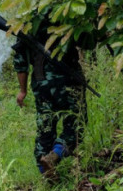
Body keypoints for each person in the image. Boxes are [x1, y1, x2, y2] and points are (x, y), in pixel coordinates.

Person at [13, 9, 88, 180]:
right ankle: (54, 156)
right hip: (70, 80)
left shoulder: (27, 19)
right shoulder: (67, 12)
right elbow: (87, 42)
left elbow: (20, 62)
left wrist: (23, 90)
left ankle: (45, 172)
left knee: (45, 128)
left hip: (42, 83)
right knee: (76, 124)